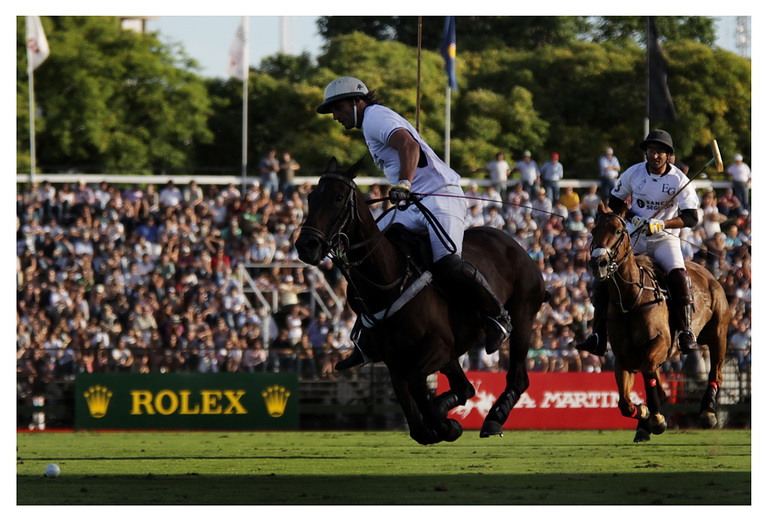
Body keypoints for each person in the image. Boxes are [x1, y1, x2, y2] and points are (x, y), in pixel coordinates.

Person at [316, 76, 512, 369]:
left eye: (338, 108)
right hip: (412, 203)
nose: (335, 115)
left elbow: (408, 145)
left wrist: (404, 184)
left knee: (447, 262)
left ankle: (496, 316)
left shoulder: (374, 117)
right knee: (368, 256)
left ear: (357, 102)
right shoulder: (371, 123)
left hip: (439, 195)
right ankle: (365, 338)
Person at [577, 130, 700, 356]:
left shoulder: (679, 180)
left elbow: (691, 217)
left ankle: (685, 331)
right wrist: (633, 217)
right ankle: (598, 335)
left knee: (679, 277)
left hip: (663, 239)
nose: (655, 155)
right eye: (651, 151)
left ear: (668, 155)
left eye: (660, 152)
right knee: (604, 277)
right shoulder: (633, 173)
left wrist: (662, 224)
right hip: (634, 237)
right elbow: (615, 202)